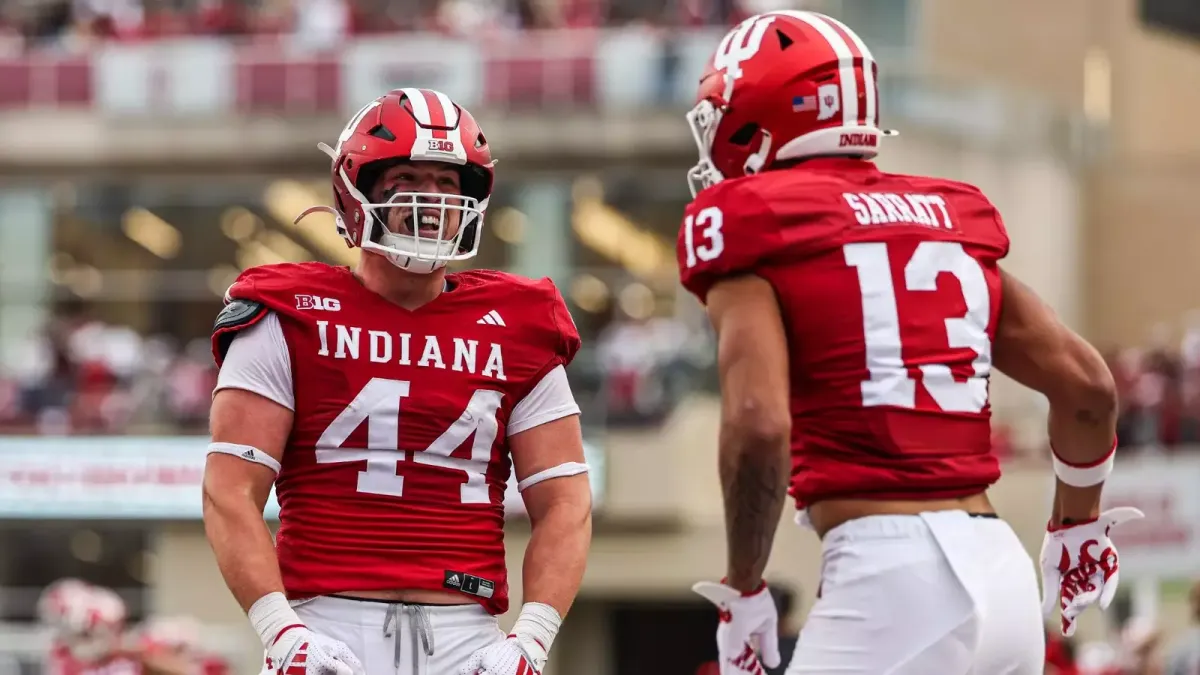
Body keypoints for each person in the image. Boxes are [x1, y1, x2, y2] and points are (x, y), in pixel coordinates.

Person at [677, 11, 1142, 675]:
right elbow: (1088, 388)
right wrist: (1076, 522)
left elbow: (757, 424)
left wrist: (744, 583)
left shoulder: (748, 218)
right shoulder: (948, 214)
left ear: (761, 118)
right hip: (1002, 573)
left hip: (887, 578)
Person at [202, 88, 593, 675]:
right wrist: (281, 632)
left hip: (468, 635)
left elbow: (564, 501)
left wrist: (531, 639)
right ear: (355, 190)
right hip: (323, 627)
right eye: (409, 177)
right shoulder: (288, 312)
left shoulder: (520, 323)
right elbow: (230, 490)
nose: (431, 200)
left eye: (446, 182)